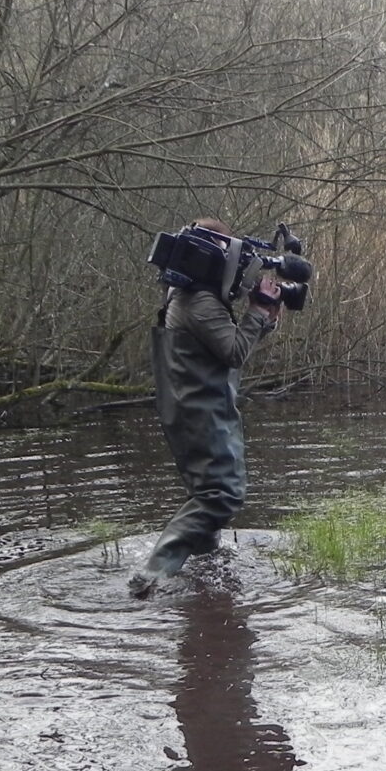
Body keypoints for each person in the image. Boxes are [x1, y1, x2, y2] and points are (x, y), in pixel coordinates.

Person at [129, 219, 288, 598]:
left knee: (205, 490)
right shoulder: (199, 301)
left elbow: (223, 343)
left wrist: (263, 318)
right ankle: (151, 574)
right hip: (199, 408)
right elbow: (233, 352)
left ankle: (206, 566)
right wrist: (257, 312)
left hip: (191, 404)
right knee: (222, 494)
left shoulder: (186, 295)